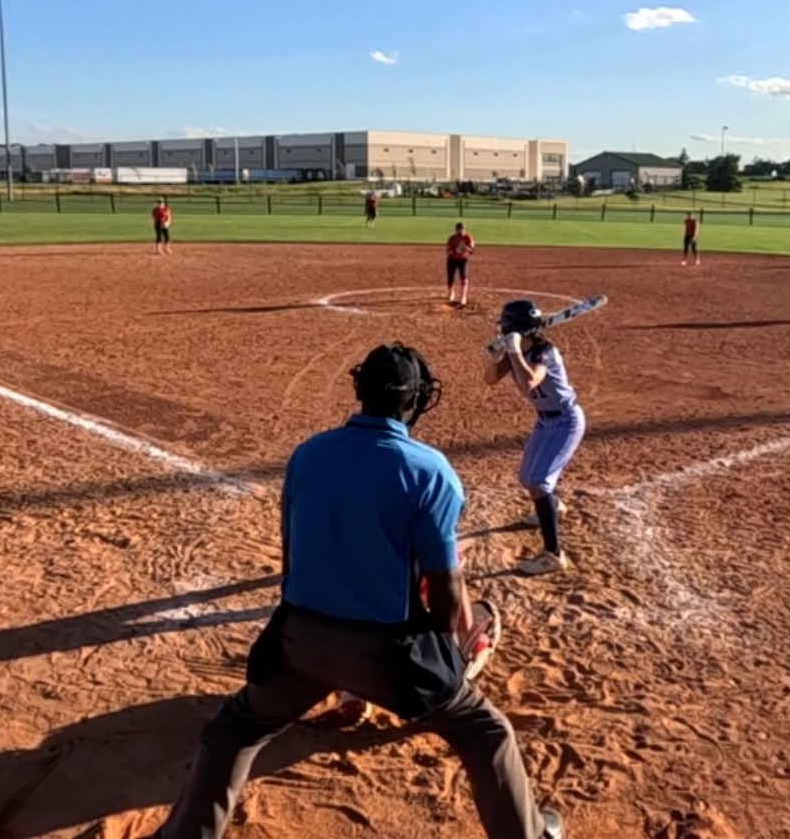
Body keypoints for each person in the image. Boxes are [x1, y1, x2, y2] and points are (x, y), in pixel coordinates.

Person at [155, 344, 560, 839]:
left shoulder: (308, 454)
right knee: (486, 732)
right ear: (417, 401)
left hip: (299, 641)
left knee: (232, 732)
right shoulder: (429, 470)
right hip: (388, 656)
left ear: (360, 391)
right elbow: (446, 588)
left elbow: (293, 557)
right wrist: (446, 657)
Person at [484, 300, 584, 577]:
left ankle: (553, 555)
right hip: (545, 421)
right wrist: (496, 357)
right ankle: (552, 506)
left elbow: (529, 383)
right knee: (527, 479)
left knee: (538, 482)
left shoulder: (544, 352)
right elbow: (490, 379)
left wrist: (515, 351)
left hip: (566, 421)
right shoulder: (515, 350)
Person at [446, 222, 476, 305]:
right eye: (459, 229)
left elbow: (472, 249)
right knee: (450, 277)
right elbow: (448, 249)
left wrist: (467, 248)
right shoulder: (452, 238)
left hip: (463, 259)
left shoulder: (468, 237)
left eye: (462, 229)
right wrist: (451, 252)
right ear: (456, 230)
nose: (461, 231)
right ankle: (451, 292)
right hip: (452, 259)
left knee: (464, 277)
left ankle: (463, 296)